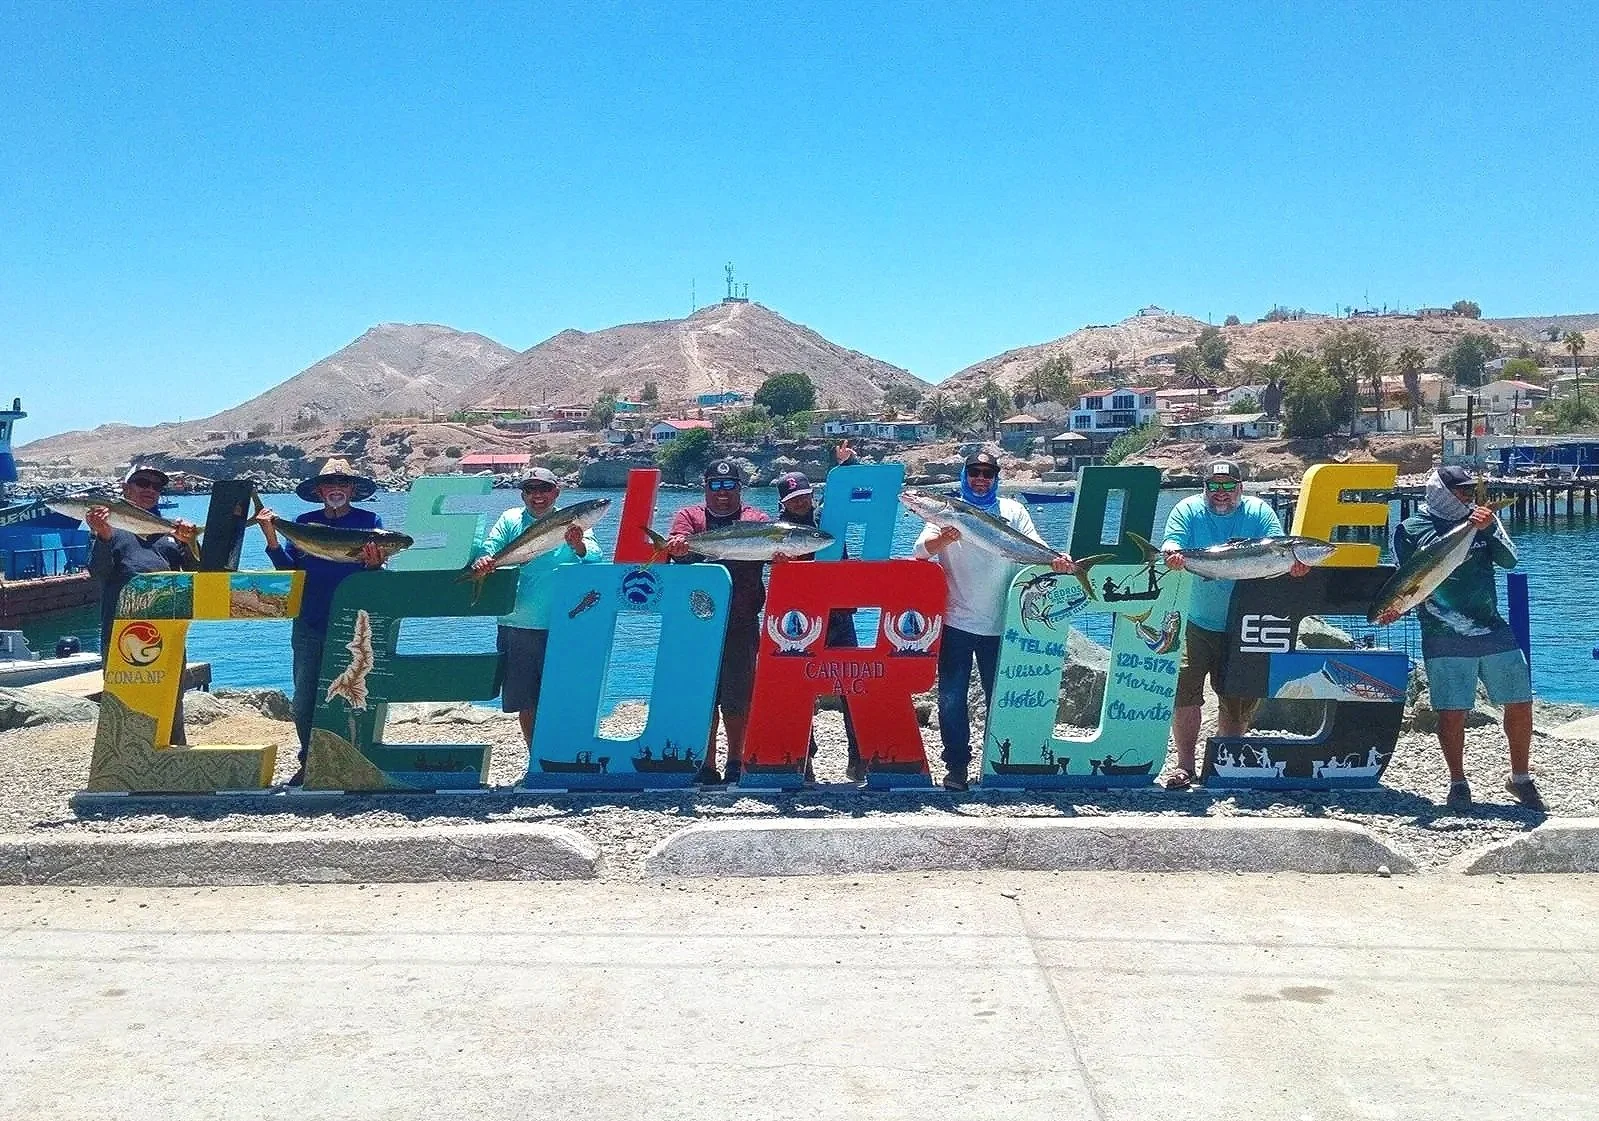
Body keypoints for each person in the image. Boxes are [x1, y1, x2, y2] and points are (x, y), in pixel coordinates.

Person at [1376, 466, 1541, 811]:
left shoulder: (1483, 521)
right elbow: (1408, 580)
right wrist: (1397, 610)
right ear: (1440, 492)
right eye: (1460, 491)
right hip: (1442, 634)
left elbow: (1510, 561)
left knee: (1520, 701)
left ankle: (1521, 778)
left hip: (1492, 628)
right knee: (1452, 712)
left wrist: (1488, 529)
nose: (1466, 497)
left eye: (1469, 491)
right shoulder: (1409, 530)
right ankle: (1458, 782)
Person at [913, 450, 1074, 791]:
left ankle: (996, 761)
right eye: (974, 471)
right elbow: (920, 550)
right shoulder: (947, 512)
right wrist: (945, 538)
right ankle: (956, 766)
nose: (981, 478)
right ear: (964, 475)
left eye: (988, 472)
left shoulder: (1013, 511)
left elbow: (1036, 547)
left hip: (1002, 624)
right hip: (957, 621)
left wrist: (1058, 561)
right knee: (952, 699)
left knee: (999, 698)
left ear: (996, 477)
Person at [1160, 459, 1310, 790]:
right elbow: (1172, 540)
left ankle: (1223, 762)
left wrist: (1294, 568)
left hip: (1244, 621)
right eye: (1215, 487)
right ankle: (1185, 765)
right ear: (1205, 489)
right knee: (1186, 689)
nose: (1222, 493)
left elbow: (1275, 549)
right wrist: (1171, 555)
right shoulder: (1187, 510)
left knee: (1239, 694)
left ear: (1240, 488)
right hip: (1195, 618)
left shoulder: (1259, 512)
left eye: (1229, 487)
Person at [258, 459, 385, 785]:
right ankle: (309, 760)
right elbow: (288, 571)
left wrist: (374, 566)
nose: (337, 489)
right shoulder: (303, 523)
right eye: (331, 484)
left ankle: (352, 761)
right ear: (320, 491)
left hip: (354, 625)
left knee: (355, 696)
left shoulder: (371, 523)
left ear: (352, 490)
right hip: (309, 623)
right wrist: (272, 537)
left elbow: (376, 576)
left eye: (343, 484)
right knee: (303, 701)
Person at [469, 467, 603, 749]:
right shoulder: (510, 519)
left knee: (564, 692)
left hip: (564, 622)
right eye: (530, 489)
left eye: (543, 489)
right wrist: (483, 560)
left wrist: (579, 546)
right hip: (518, 621)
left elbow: (594, 560)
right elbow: (490, 548)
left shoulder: (573, 520)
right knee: (525, 699)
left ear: (557, 491)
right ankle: (536, 756)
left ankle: (564, 752)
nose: (537, 495)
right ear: (523, 494)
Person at [662, 459, 773, 784]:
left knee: (738, 696)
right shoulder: (689, 517)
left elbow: (772, 552)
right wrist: (678, 550)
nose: (722, 493)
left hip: (741, 619)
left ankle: (736, 761)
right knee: (703, 694)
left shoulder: (757, 520)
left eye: (729, 486)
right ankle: (705, 763)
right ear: (706, 487)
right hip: (696, 623)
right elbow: (677, 542)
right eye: (715, 485)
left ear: (739, 488)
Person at [85, 464, 200, 744]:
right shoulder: (109, 530)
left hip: (169, 628)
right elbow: (98, 573)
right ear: (125, 489)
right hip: (122, 628)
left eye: (156, 486)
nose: (150, 489)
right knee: (125, 694)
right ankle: (126, 763)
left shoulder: (170, 530)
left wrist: (190, 542)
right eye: (142, 483)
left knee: (172, 693)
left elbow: (202, 572)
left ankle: (174, 756)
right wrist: (102, 537)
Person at [774, 460, 864, 783]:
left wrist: (849, 465)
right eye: (794, 498)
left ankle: (858, 757)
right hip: (799, 618)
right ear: (783, 503)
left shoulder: (830, 518)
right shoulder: (777, 533)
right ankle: (803, 758)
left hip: (839, 613)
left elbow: (858, 497)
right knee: (799, 688)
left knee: (853, 685)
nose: (802, 502)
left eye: (805, 496)